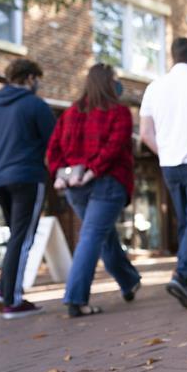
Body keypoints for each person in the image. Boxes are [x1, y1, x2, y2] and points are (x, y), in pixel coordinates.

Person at [46, 63, 141, 317]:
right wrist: (93, 170)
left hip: (77, 187)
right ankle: (76, 299)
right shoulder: (119, 112)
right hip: (107, 182)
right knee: (92, 237)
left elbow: (52, 149)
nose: (118, 83)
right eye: (115, 79)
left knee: (102, 236)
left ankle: (129, 280)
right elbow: (114, 146)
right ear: (108, 83)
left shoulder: (70, 114)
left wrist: (61, 173)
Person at [0, 58, 55, 319]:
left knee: (16, 237)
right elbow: (55, 144)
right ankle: (12, 301)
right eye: (37, 79)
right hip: (28, 177)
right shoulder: (35, 105)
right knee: (24, 238)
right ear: (30, 78)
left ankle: (2, 291)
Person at [141, 38, 187, 309]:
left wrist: (167, 153)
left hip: (170, 164)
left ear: (172, 56)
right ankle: (182, 274)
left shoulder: (155, 87)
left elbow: (145, 134)